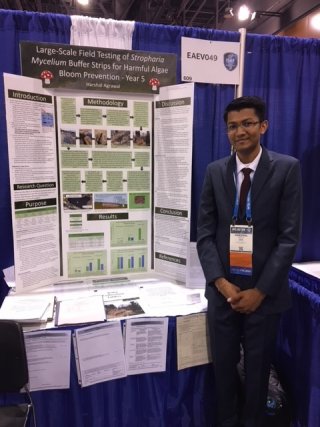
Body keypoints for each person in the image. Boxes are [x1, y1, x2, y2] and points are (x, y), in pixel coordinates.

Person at [197, 96, 302, 427]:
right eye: (232, 126)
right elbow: (204, 234)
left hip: (264, 298)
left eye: (247, 123)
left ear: (263, 126)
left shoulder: (287, 169)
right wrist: (222, 283)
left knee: (257, 376)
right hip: (223, 294)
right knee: (223, 374)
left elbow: (288, 238)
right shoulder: (215, 172)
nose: (239, 131)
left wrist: (260, 291)